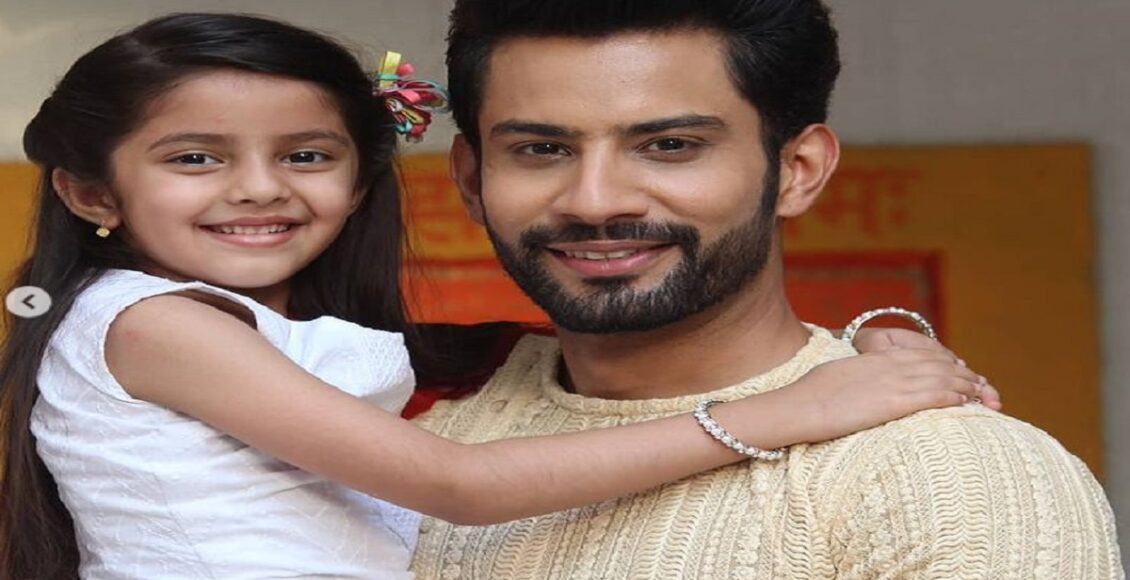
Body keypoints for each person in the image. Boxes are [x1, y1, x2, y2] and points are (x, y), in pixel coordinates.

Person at [0, 12, 991, 580]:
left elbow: (534, 355)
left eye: (304, 155)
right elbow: (458, 486)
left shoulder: (308, 347)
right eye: (194, 158)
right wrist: (787, 411)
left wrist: (871, 344)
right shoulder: (154, 326)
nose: (259, 188)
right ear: (91, 192)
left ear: (361, 178)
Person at [408, 1, 1124, 578]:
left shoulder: (948, 474)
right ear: (471, 177)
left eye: (670, 146)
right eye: (541, 149)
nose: (595, 201)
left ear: (798, 171)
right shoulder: (405, 416)